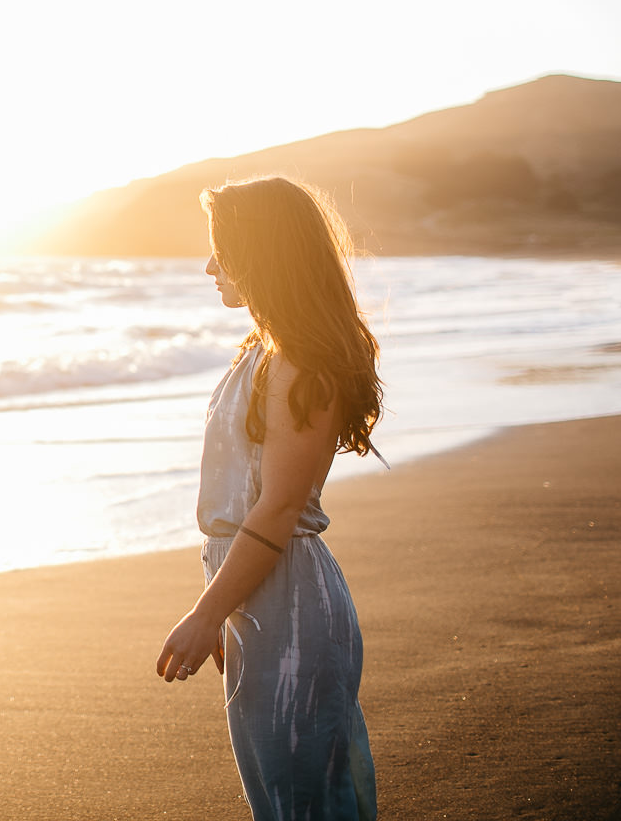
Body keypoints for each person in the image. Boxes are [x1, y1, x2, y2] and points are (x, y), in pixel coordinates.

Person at [156, 176, 382, 821]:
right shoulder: (263, 350)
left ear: (262, 253)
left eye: (221, 249)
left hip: (288, 598)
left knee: (303, 799)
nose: (208, 266)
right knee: (284, 796)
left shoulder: (301, 362)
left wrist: (207, 612)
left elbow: (280, 507)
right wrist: (225, 603)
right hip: (258, 593)